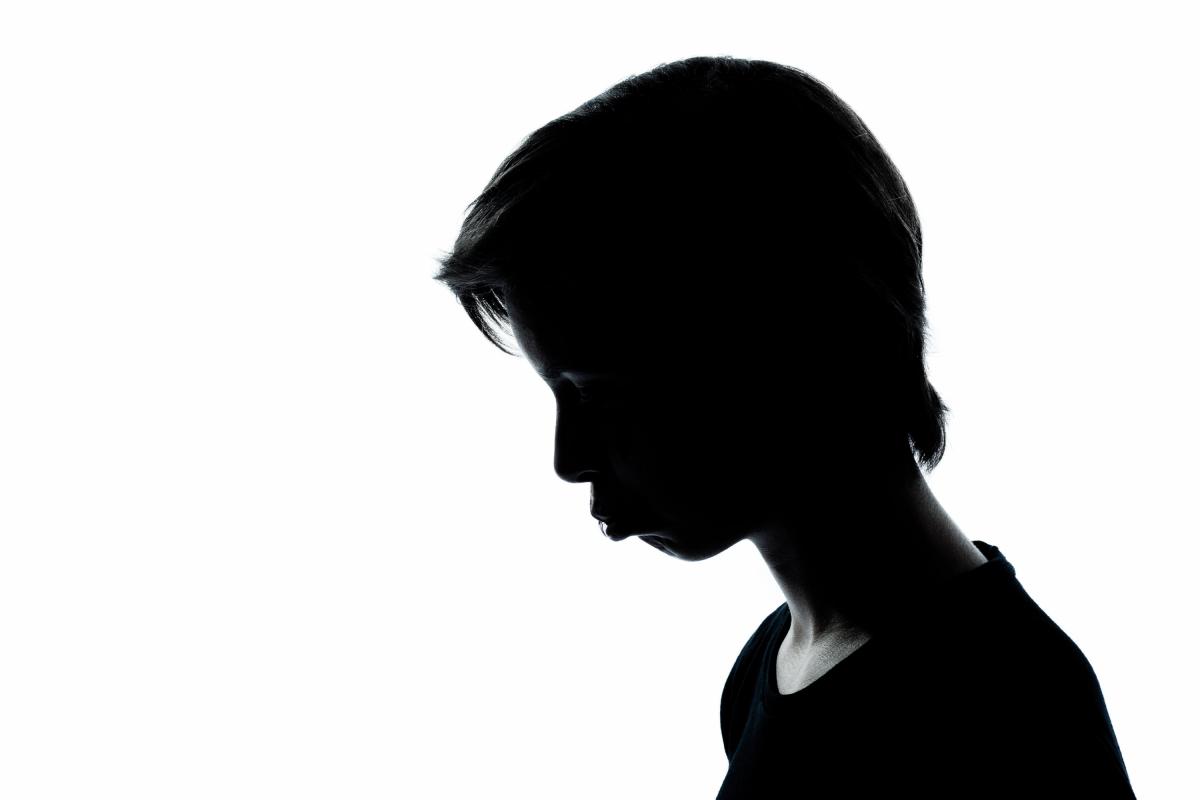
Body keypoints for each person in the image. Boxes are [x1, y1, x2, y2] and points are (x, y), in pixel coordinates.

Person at [432, 55, 1137, 798]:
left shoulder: (1006, 713)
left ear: (789, 347)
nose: (568, 458)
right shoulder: (771, 667)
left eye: (601, 395)